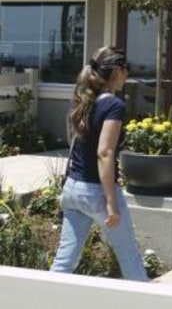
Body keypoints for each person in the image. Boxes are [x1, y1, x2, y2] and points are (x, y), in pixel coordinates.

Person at [50, 47, 147, 281]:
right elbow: (104, 152)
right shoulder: (114, 106)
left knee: (65, 261)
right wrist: (111, 202)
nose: (128, 76)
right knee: (129, 257)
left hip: (73, 188)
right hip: (97, 192)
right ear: (117, 71)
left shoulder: (82, 100)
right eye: (126, 70)